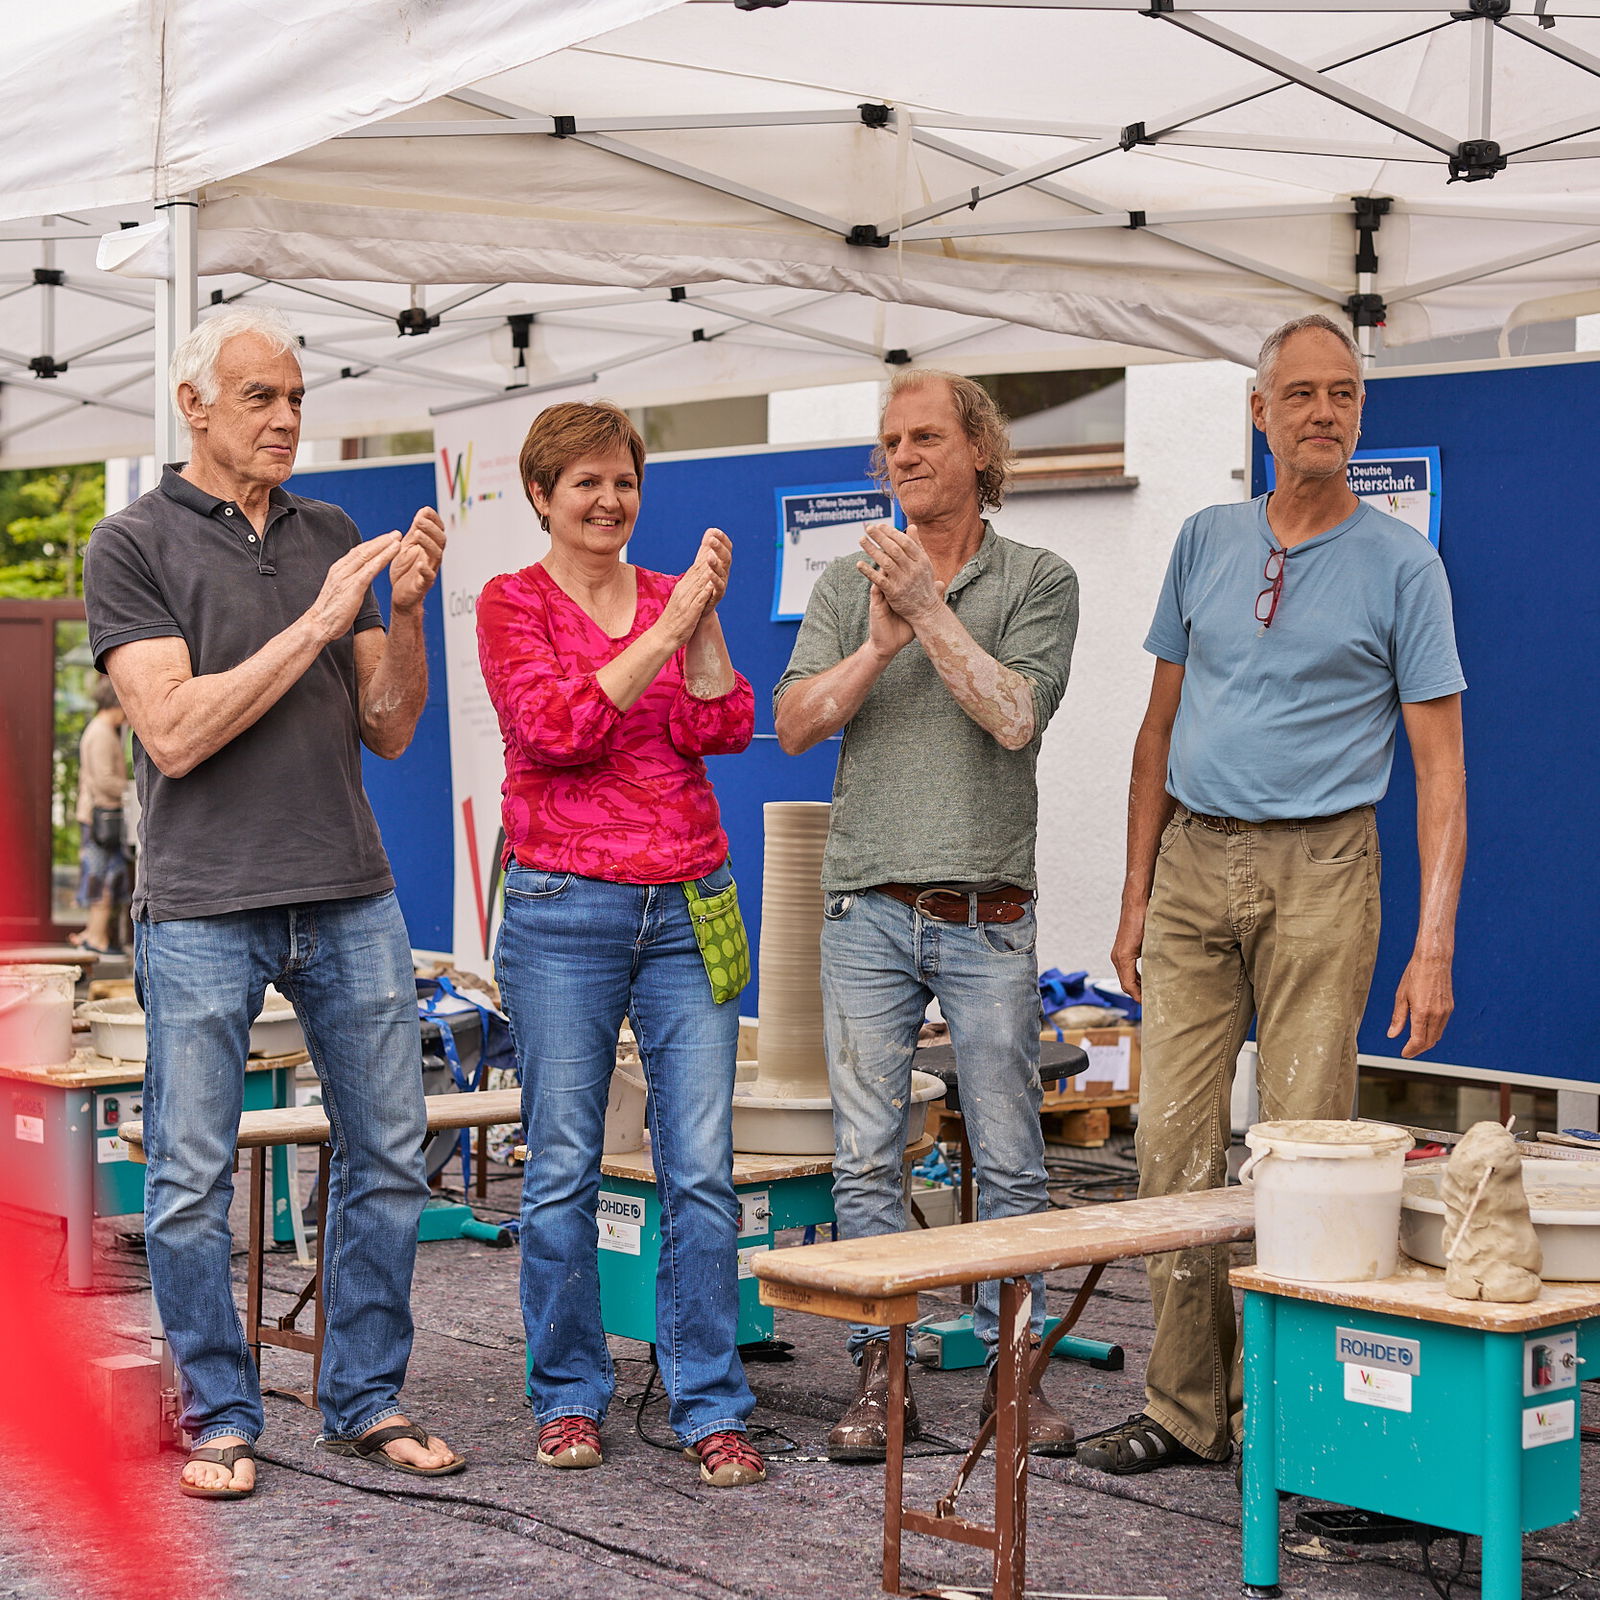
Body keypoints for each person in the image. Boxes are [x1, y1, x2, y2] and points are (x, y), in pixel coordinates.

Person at [83, 306, 461, 1499]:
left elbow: (390, 728)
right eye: (261, 397)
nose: (289, 417)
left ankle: (362, 1395)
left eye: (297, 396)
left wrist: (403, 608)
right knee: (191, 1178)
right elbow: (177, 731)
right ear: (194, 405)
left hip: (348, 888)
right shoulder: (130, 545)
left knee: (392, 1153)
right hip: (202, 902)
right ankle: (221, 1412)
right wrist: (316, 618)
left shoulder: (335, 530)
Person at [1085, 313, 1467, 1476]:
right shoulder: (1203, 539)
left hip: (1323, 868)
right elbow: (1155, 731)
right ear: (1257, 413)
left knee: (1305, 1152)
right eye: (1297, 394)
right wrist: (1135, 889)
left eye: (1341, 395)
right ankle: (1185, 1407)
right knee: (1170, 1145)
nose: (1321, 413)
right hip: (1195, 860)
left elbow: (1442, 766)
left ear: (1359, 413)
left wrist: (1433, 939)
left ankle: (1288, 1419)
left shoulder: (1404, 562)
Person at [774, 369, 1079, 1461]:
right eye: (890, 441)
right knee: (863, 1158)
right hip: (864, 908)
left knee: (1009, 1157)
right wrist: (876, 643)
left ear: (980, 453)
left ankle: (1015, 1373)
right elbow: (795, 724)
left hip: (985, 911)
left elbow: (1012, 718)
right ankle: (883, 1378)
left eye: (926, 438)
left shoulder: (1040, 578)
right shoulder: (847, 583)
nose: (903, 457)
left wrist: (931, 611)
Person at [478, 400, 767, 1489]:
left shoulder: (670, 596)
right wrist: (667, 622)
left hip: (689, 903)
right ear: (542, 493)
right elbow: (556, 731)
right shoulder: (513, 604)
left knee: (701, 1172)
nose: (608, 500)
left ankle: (709, 1401)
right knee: (561, 1167)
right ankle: (567, 1395)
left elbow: (721, 722)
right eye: (585, 481)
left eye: (624, 481)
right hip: (563, 912)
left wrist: (699, 620)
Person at [72, 676, 129, 954]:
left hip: (96, 816)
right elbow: (104, 780)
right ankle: (97, 938)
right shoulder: (102, 734)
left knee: (101, 876)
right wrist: (131, 790)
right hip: (101, 818)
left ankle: (93, 934)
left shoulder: (100, 730)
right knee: (103, 878)